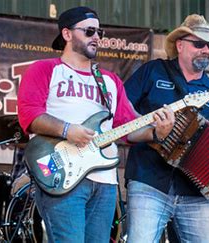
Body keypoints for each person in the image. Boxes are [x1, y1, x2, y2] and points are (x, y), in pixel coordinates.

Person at [17, 7, 172, 242]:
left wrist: (156, 133)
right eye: (90, 31)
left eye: (99, 32)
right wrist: (68, 130)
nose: (97, 37)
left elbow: (127, 128)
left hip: (105, 183)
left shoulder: (110, 81)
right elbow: (29, 115)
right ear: (67, 34)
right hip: (62, 174)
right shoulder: (45, 69)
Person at [123, 14, 209, 242]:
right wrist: (153, 131)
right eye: (199, 43)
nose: (206, 49)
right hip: (150, 182)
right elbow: (122, 115)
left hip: (195, 193)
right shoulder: (153, 72)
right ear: (180, 45)